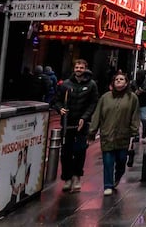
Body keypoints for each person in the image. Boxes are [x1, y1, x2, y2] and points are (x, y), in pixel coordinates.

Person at [89, 71, 140, 196]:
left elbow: (135, 115)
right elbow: (97, 115)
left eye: (121, 79)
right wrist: (92, 131)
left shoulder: (132, 98)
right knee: (108, 161)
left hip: (123, 135)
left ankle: (118, 176)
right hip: (107, 135)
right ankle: (108, 185)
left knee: (121, 160)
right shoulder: (105, 98)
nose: (118, 81)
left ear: (126, 83)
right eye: (116, 79)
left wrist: (134, 131)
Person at [57, 59, 99, 192]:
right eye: (77, 67)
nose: (79, 69)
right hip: (67, 123)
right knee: (66, 152)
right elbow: (56, 100)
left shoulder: (91, 85)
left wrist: (84, 118)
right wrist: (59, 109)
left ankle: (76, 177)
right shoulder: (65, 84)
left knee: (80, 151)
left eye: (81, 67)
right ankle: (67, 178)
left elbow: (93, 103)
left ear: (85, 69)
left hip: (82, 124)